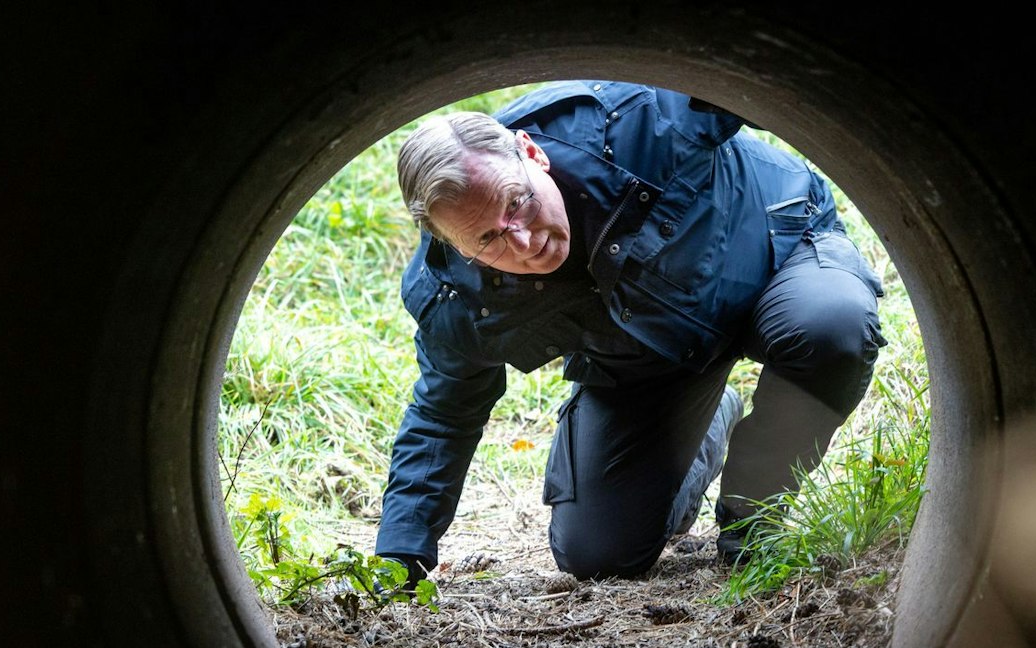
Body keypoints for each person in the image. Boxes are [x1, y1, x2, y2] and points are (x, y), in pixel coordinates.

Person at [373, 80, 886, 584]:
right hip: (654, 353)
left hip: (777, 251)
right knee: (597, 554)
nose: (524, 242)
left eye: (516, 203)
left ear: (531, 153)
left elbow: (764, 78)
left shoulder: (641, 116)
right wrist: (400, 555)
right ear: (453, 245)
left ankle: (752, 520)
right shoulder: (454, 293)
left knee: (833, 324)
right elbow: (443, 414)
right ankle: (710, 419)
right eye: (488, 239)